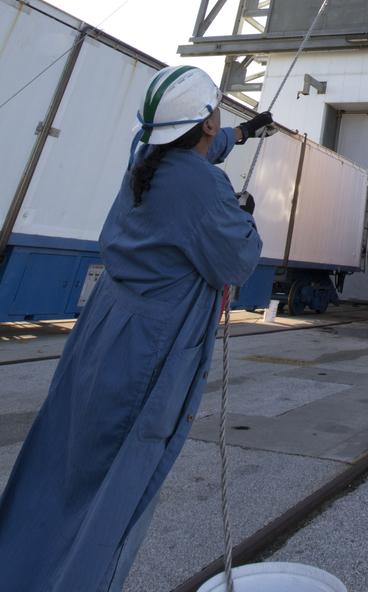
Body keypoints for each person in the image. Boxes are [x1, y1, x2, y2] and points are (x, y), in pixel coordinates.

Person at [0, 65, 269, 592]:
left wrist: (245, 133)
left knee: (60, 462)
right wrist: (243, 213)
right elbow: (239, 260)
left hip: (103, 328)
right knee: (116, 486)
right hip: (149, 346)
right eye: (219, 109)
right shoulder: (202, 188)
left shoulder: (143, 151)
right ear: (207, 122)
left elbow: (196, 150)